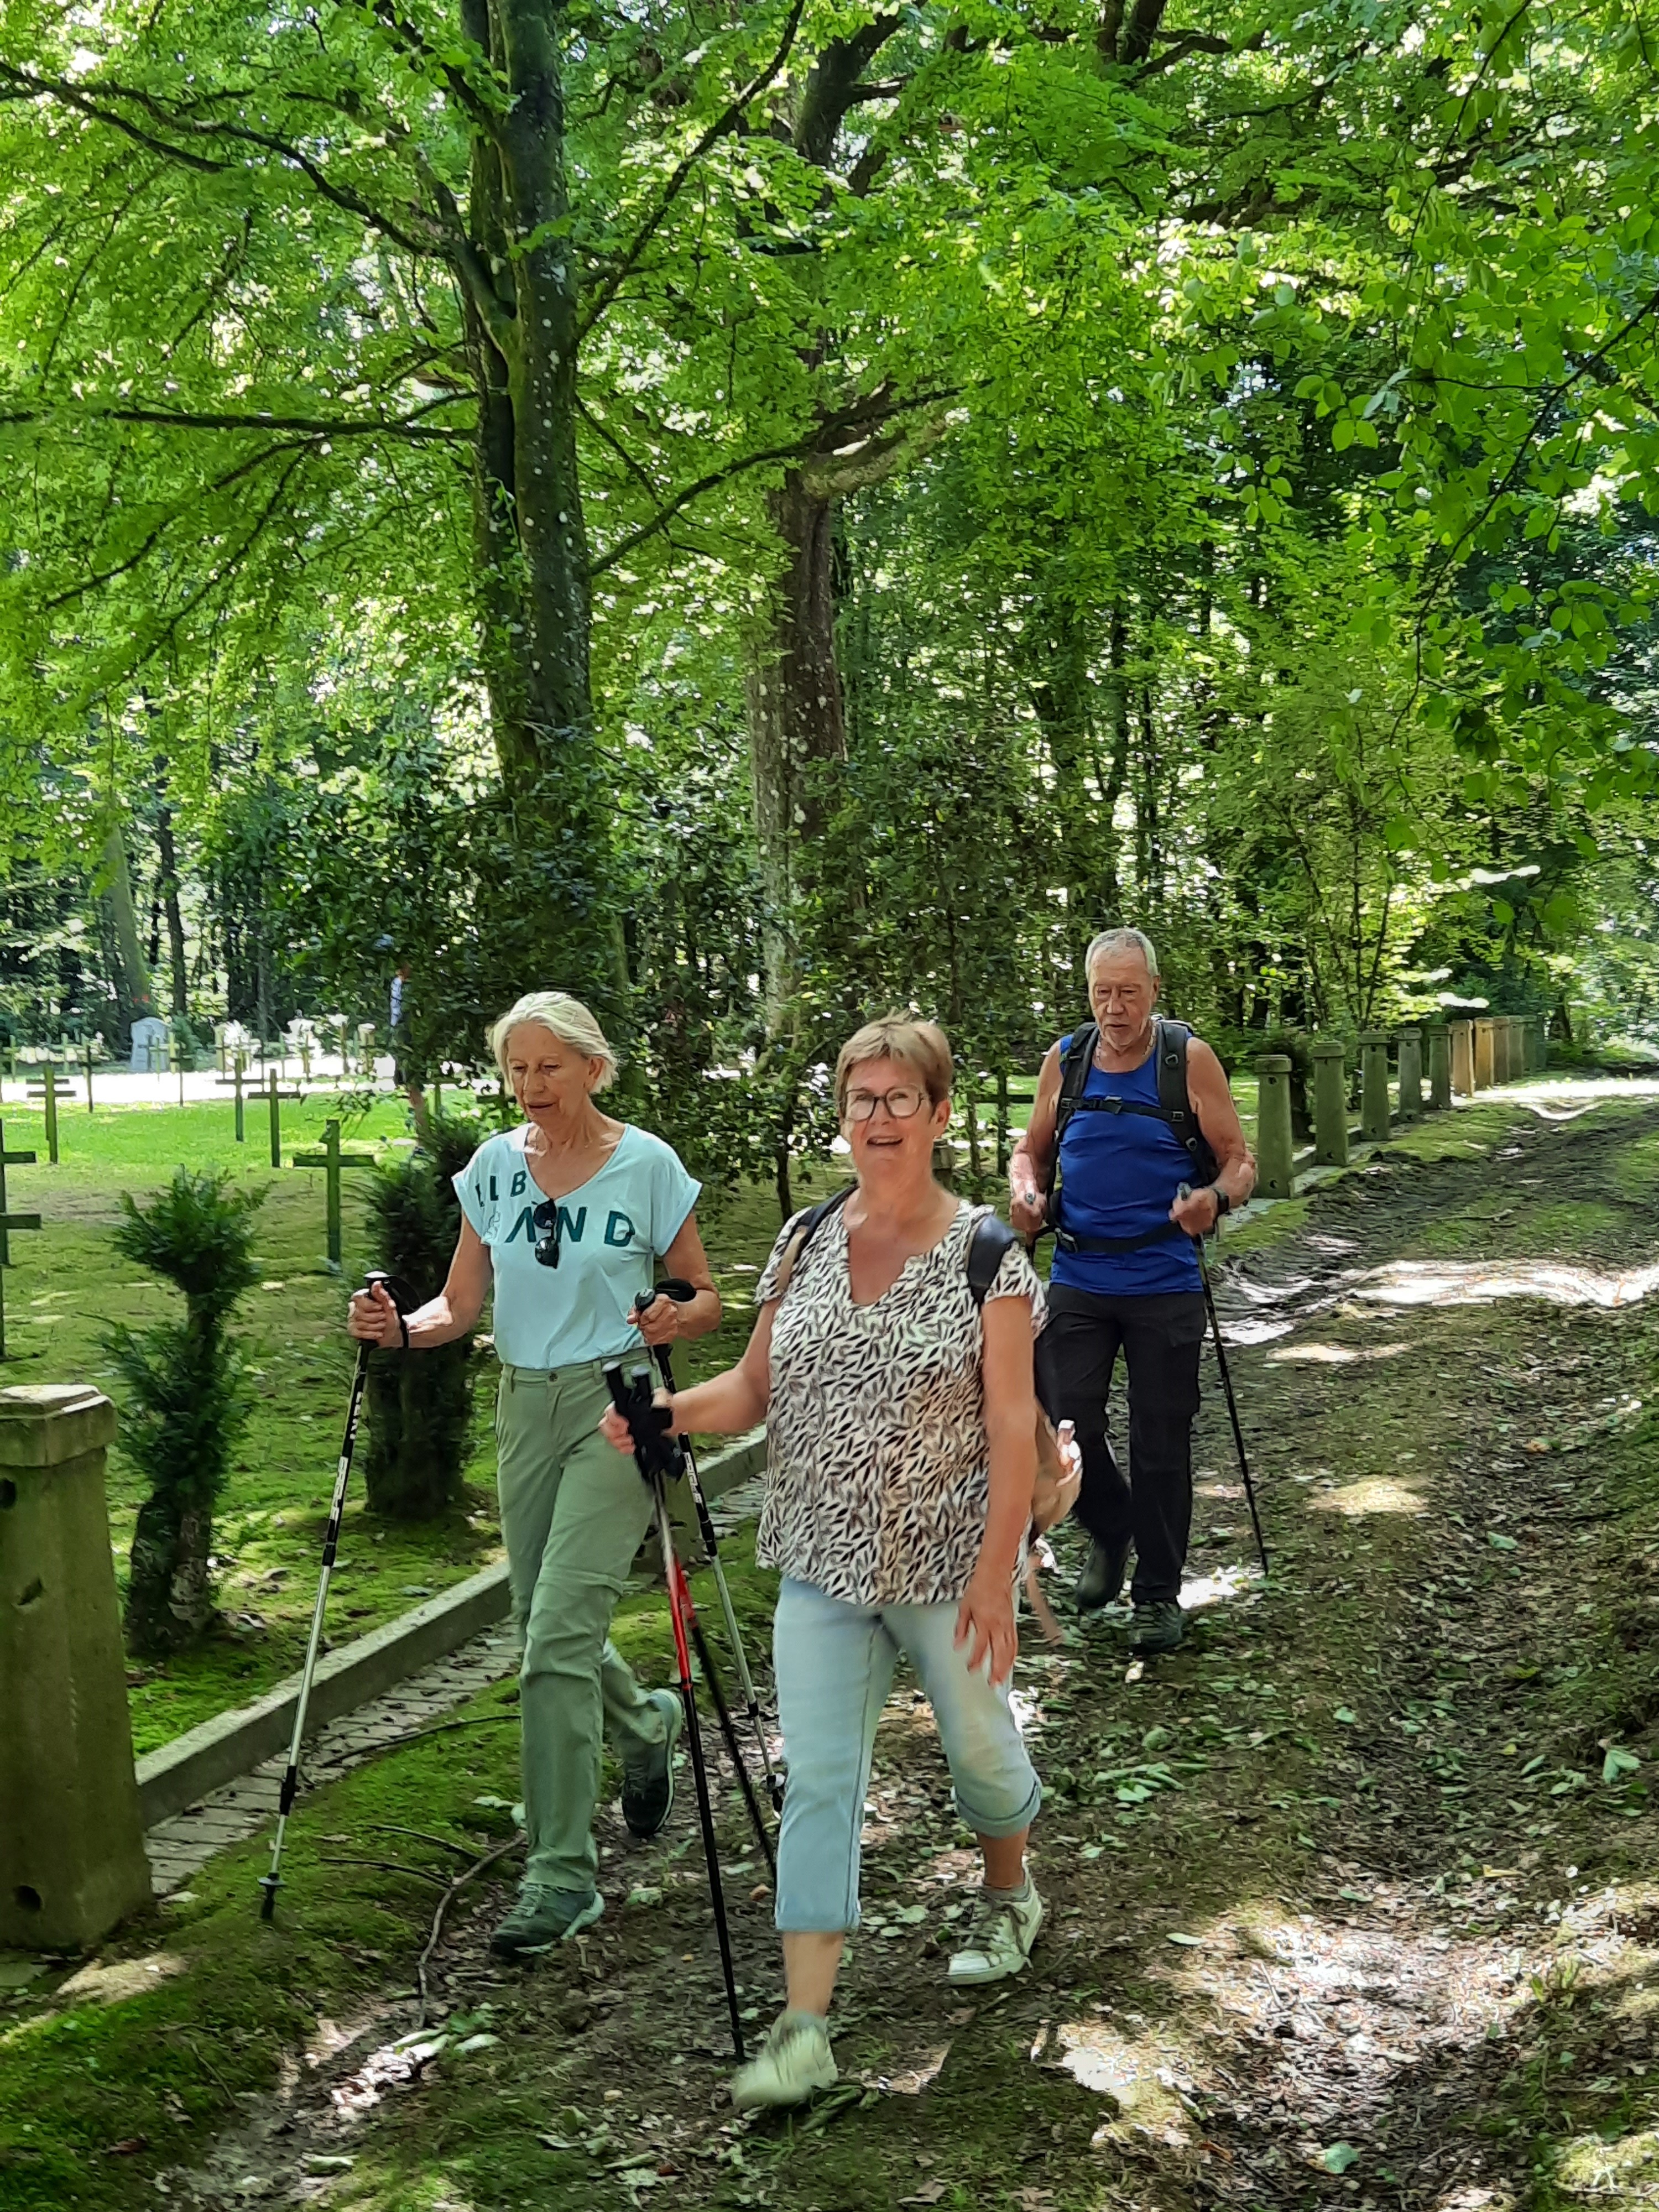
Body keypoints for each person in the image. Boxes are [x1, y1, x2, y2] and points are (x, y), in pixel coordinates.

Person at [603, 1016, 1047, 2112]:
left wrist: (997, 1571)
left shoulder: (990, 1255)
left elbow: (1009, 1424)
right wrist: (670, 1412)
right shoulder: (804, 1238)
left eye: (902, 1099)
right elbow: (754, 1388)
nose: (879, 1119)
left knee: (981, 1754)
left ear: (942, 1115)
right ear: (841, 1114)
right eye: (862, 1099)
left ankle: (1009, 1886)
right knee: (818, 1782)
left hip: (948, 1560)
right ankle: (806, 2024)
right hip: (820, 1558)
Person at [348, 990, 721, 1953]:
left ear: (595, 1068)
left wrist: (675, 1315)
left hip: (617, 1406)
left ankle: (561, 1878)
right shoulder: (493, 1172)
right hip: (522, 1402)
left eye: (549, 1066)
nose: (530, 1086)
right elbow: (459, 1305)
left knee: (554, 1635)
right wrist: (401, 1329)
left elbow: (706, 1295)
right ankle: (645, 1727)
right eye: (517, 1068)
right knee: (540, 1620)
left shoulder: (646, 1165)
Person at [1009, 928, 1256, 1655]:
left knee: (1160, 1441)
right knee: (1061, 1422)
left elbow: (1240, 1161)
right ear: (1088, 994)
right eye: (1101, 992)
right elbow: (1033, 1150)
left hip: (1165, 1281)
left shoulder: (1188, 1061)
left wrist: (1215, 1198)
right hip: (1080, 1275)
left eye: (1128, 991)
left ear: (1154, 990)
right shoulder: (1069, 1059)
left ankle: (1157, 1595)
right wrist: (1026, 1189)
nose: (1114, 1008)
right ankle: (1112, 1529)